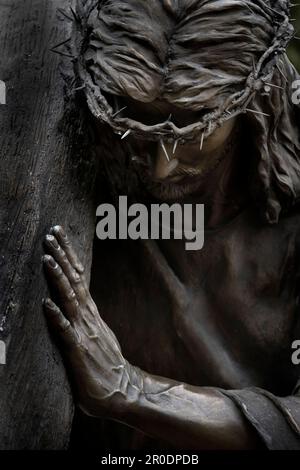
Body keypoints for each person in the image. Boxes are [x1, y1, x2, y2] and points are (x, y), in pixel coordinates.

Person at [42, 0, 300, 449]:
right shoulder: (79, 114)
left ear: (255, 93)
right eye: (135, 124)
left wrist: (134, 392)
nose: (161, 168)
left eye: (194, 131)